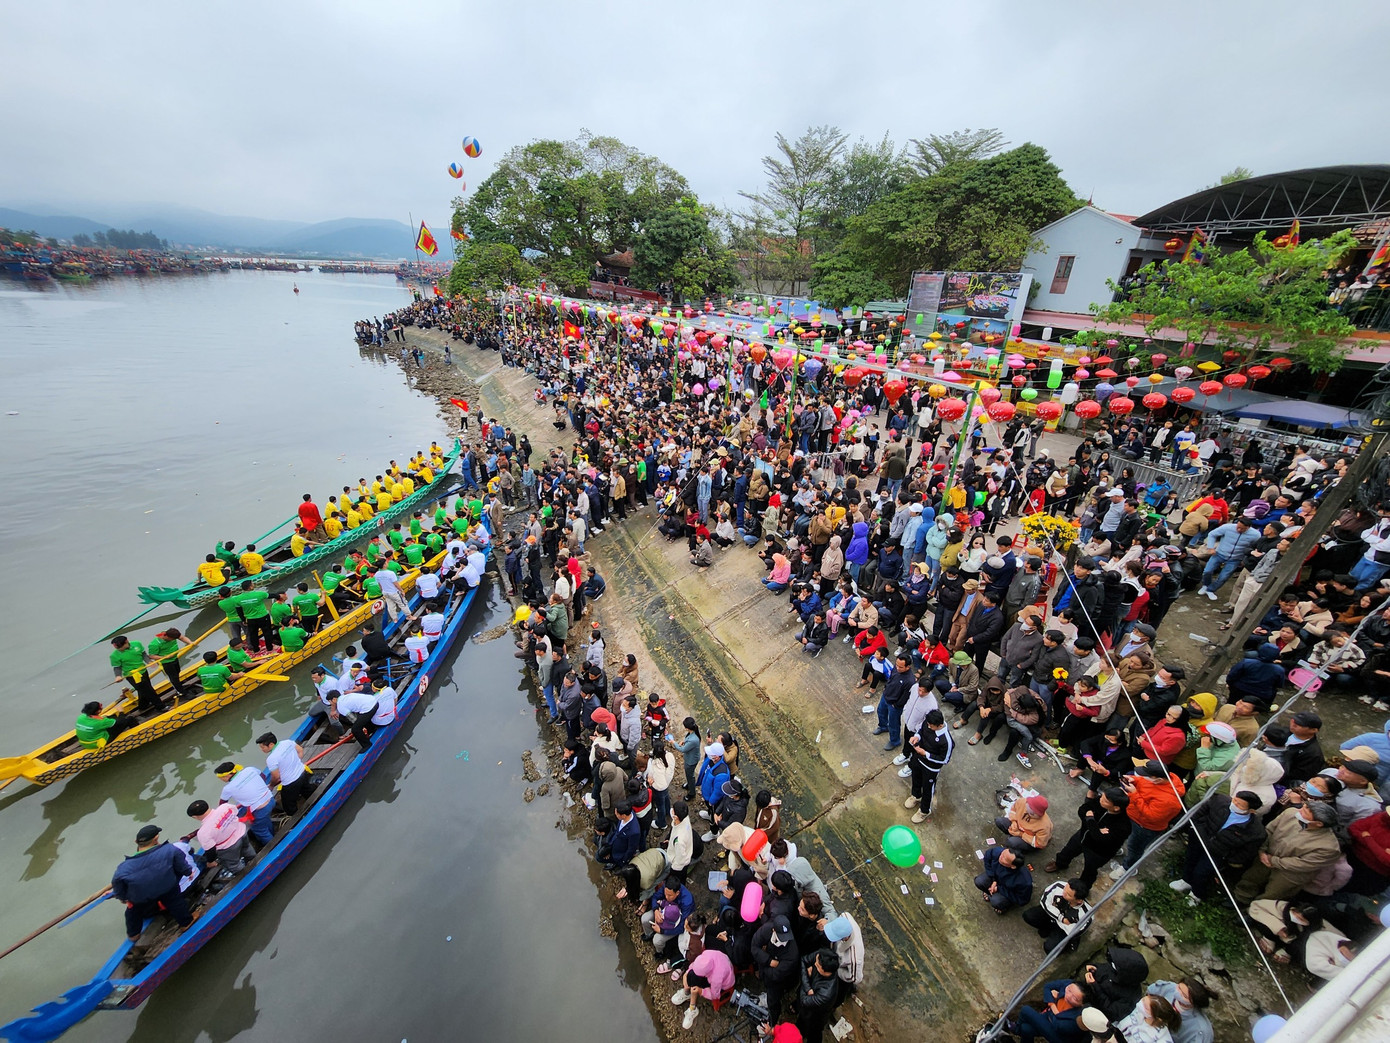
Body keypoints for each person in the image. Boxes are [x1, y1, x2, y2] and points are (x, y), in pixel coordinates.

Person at [1171, 790, 1266, 901]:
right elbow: (1199, 812)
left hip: (1218, 853)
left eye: (1239, 805)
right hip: (1200, 839)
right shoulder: (1219, 800)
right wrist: (1196, 828)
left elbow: (1247, 852)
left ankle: (1196, 894)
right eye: (1234, 800)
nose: (1234, 804)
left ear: (1251, 810)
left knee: (1202, 872)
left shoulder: (1256, 832)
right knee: (1190, 860)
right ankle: (1186, 880)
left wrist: (1228, 857)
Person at [111, 824, 194, 941]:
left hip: (141, 898)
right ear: (156, 838)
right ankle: (186, 923)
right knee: (175, 901)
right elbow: (183, 867)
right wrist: (189, 872)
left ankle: (133, 935)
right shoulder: (170, 849)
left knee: (133, 909)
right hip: (167, 889)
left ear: (136, 842)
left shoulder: (123, 868)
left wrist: (123, 898)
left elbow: (118, 886)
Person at [671, 946, 735, 1031]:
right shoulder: (706, 954)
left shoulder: (716, 978)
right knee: (692, 975)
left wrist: (701, 991)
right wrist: (686, 973)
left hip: (725, 983)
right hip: (718, 965)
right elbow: (694, 965)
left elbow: (715, 995)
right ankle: (687, 992)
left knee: (695, 983)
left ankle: (692, 1008)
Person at [187, 798, 254, 879]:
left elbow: (211, 851)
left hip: (228, 847)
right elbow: (236, 812)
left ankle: (248, 877)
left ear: (195, 817)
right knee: (247, 848)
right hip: (242, 833)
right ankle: (254, 859)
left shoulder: (203, 832)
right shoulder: (225, 807)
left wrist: (210, 862)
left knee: (234, 864)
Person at [1022, 878, 1092, 954]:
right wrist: (1061, 918)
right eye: (1065, 889)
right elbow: (1045, 902)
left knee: (1050, 949)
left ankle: (1067, 944)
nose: (1063, 893)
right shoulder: (1058, 886)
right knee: (1028, 916)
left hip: (1063, 929)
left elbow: (1074, 931)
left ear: (1079, 900)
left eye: (1068, 895)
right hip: (1053, 916)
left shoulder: (1086, 914)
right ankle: (1047, 928)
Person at [904, 709, 952, 823]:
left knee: (928, 789)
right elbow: (920, 730)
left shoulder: (946, 741)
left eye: (931, 726)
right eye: (928, 724)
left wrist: (926, 754)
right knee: (915, 778)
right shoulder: (928, 723)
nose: (929, 727)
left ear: (940, 725)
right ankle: (916, 796)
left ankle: (924, 811)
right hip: (918, 759)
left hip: (931, 768)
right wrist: (917, 737)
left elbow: (944, 759)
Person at [752, 914, 801, 1020]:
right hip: (767, 971)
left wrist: (763, 962)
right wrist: (769, 961)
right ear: (773, 930)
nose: (784, 940)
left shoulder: (792, 954)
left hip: (778, 982)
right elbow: (754, 946)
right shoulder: (766, 930)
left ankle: (772, 1020)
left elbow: (776, 974)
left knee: (773, 1001)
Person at [215, 761, 275, 845]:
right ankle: (273, 834)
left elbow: (222, 805)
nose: (221, 780)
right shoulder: (250, 769)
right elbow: (263, 777)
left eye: (221, 777)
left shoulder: (228, 789)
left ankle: (273, 845)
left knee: (259, 830)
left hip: (260, 809)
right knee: (265, 820)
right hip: (270, 799)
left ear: (227, 775)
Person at [258, 731, 311, 815]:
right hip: (302, 772)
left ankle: (297, 818)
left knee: (288, 805)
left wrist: (271, 785)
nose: (262, 749)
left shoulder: (271, 759)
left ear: (271, 744)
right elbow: (300, 750)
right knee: (308, 791)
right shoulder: (288, 742)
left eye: (263, 747)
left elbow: (276, 777)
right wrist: (296, 763)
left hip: (291, 783)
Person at [794, 949, 840, 1043]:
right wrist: (808, 988)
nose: (814, 964)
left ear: (825, 971)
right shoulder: (821, 956)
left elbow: (804, 1000)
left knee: (814, 1033)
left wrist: (806, 978)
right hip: (806, 1009)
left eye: (817, 966)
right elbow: (803, 960)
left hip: (816, 1016)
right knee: (800, 1028)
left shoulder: (826, 993)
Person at [1146, 979, 1214, 1043]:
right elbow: (1150, 992)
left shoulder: (1200, 1030)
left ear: (1193, 1003)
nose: (1178, 993)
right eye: (1179, 988)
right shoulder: (1170, 988)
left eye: (1184, 996)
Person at [109, 635, 163, 714]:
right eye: (118, 648)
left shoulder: (137, 644)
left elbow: (143, 654)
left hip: (143, 671)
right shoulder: (114, 655)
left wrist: (149, 662)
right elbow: (117, 667)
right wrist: (118, 676)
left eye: (121, 647)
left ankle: (143, 706)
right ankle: (161, 707)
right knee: (149, 691)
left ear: (126, 641)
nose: (119, 649)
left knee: (143, 690)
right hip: (132, 676)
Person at [974, 843, 1034, 914]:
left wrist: (999, 889)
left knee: (996, 901)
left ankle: (1004, 906)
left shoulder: (1024, 881)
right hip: (995, 878)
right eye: (1003, 853)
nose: (1000, 856)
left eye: (1004, 858)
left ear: (1013, 866)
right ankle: (990, 892)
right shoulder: (998, 852)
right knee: (979, 881)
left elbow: (1022, 900)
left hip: (1007, 890)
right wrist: (994, 880)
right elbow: (987, 858)